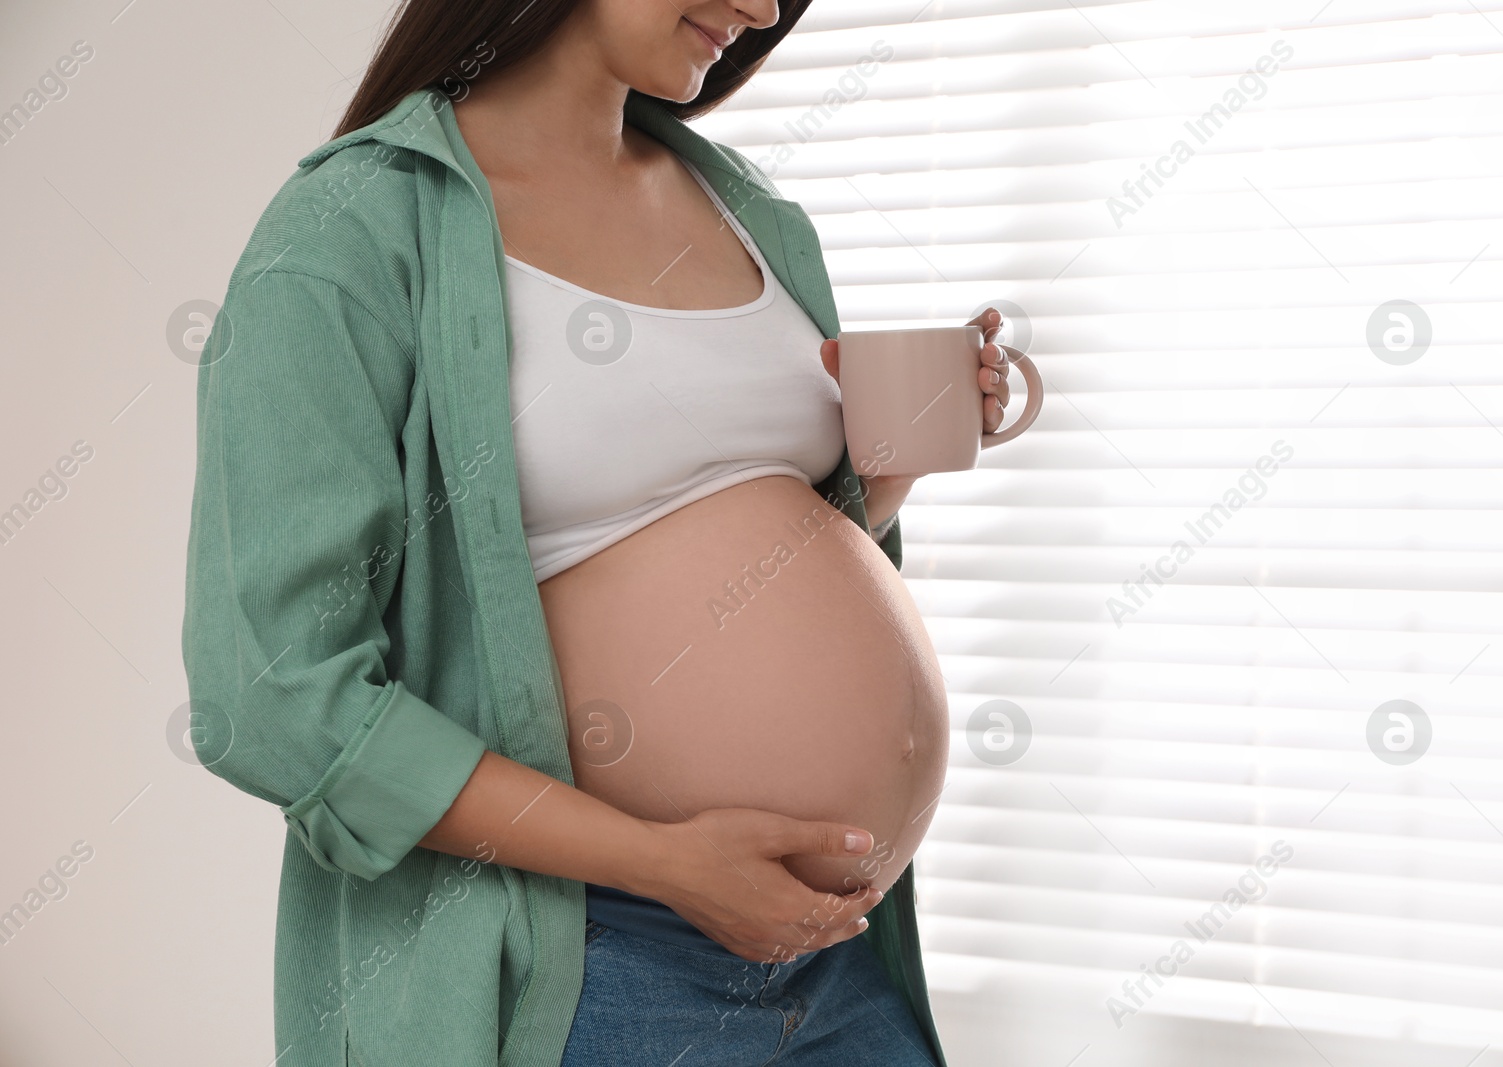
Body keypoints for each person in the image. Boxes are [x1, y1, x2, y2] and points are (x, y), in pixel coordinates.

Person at [181, 1, 1015, 1064]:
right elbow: (273, 697)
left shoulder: (749, 208)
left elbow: (767, 552)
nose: (762, 8)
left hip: (841, 964)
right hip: (591, 959)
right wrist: (663, 861)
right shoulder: (350, 232)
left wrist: (887, 470)